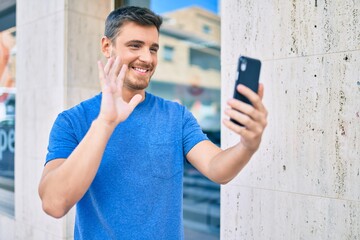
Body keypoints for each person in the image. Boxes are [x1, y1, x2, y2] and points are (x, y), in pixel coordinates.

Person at [38, 6, 267, 240]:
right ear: (107, 47)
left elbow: (218, 169)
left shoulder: (176, 116)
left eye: (153, 49)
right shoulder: (71, 121)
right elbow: (54, 203)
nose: (147, 58)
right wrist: (105, 122)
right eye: (135, 46)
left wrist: (247, 145)